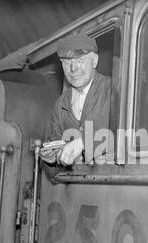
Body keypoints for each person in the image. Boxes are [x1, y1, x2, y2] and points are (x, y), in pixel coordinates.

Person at [40, 33, 111, 166]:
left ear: (94, 61)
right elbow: (56, 152)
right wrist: (53, 160)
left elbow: (129, 135)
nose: (73, 68)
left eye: (80, 60)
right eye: (67, 62)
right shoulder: (60, 105)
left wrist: (84, 142)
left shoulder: (113, 90)